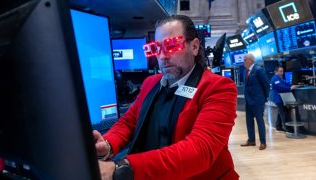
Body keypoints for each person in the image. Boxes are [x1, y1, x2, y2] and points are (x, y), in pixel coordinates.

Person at [93, 15, 239, 179]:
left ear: (195, 47)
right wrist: (107, 145)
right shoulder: (151, 83)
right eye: (156, 48)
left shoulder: (218, 87)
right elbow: (129, 122)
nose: (162, 56)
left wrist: (122, 168)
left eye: (172, 45)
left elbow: (200, 150)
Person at [241, 54, 270, 150]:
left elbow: (266, 85)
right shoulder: (246, 71)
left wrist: (264, 98)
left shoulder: (258, 70)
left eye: (245, 60)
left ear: (250, 60)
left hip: (257, 101)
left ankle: (263, 142)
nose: (243, 61)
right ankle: (251, 140)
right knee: (249, 121)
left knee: (260, 121)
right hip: (248, 101)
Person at [271, 66, 297, 132]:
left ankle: (278, 126)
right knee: (283, 114)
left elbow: (285, 84)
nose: (282, 73)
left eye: (282, 71)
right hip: (279, 99)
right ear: (276, 71)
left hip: (282, 98)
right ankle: (288, 129)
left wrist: (292, 85)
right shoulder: (275, 79)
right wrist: (290, 88)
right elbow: (280, 87)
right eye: (280, 71)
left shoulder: (280, 78)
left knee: (280, 113)